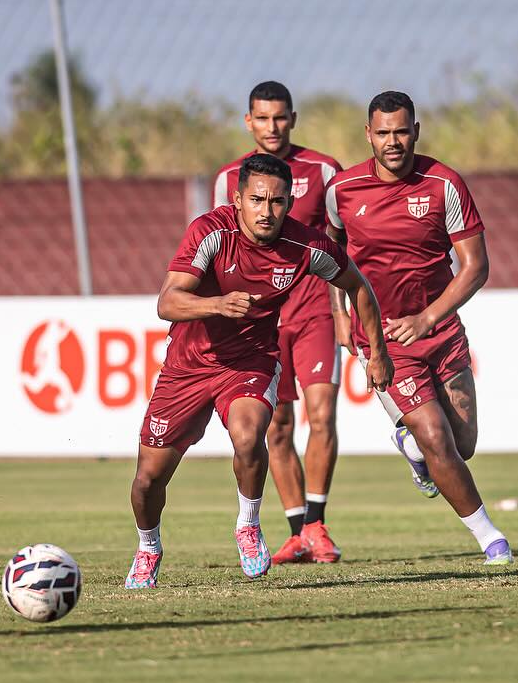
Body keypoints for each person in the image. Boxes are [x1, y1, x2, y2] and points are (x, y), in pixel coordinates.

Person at [125, 154, 392, 589]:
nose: (266, 211)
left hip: (251, 359)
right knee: (147, 480)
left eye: (277, 201)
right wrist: (216, 304)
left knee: (250, 437)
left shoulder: (306, 246)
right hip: (188, 366)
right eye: (256, 200)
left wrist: (376, 350)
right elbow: (167, 302)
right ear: (238, 199)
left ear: (290, 202)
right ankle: (148, 548)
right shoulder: (211, 231)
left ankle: (248, 526)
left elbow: (357, 286)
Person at [326, 91, 514, 565]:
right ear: (368, 134)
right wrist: (340, 314)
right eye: (383, 132)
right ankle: (490, 539)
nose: (393, 142)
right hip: (385, 342)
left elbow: (475, 267)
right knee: (435, 436)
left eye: (401, 131)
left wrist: (428, 318)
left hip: (442, 333)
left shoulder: (443, 183)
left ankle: (411, 447)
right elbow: (329, 257)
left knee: (461, 445)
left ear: (416, 130)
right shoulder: (342, 192)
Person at [212, 81, 346, 566]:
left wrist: (342, 310)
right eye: (262, 118)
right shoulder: (230, 177)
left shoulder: (325, 169)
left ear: (293, 118)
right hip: (263, 321)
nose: (272, 127)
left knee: (323, 416)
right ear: (248, 121)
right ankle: (296, 533)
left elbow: (340, 246)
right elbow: (217, 249)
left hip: (314, 311)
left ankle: (317, 525)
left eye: (280, 117)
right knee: (279, 426)